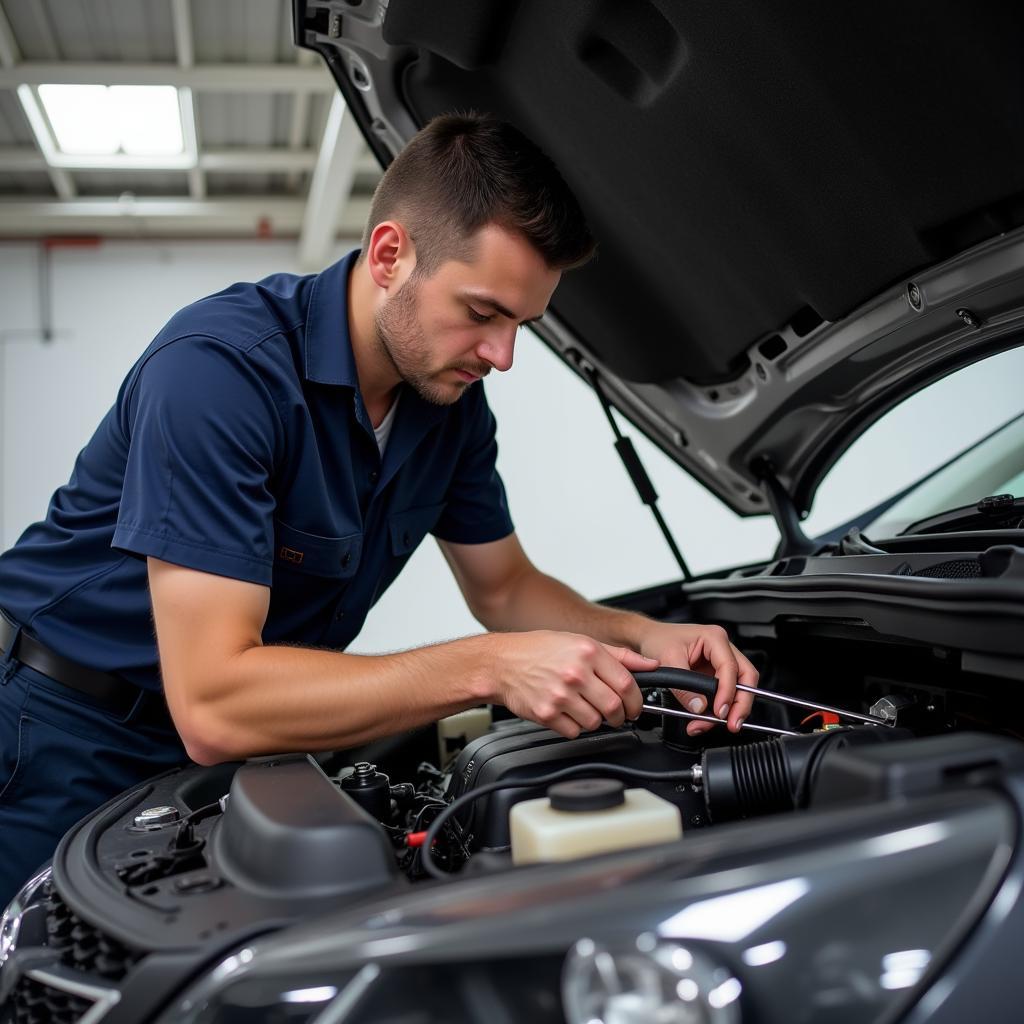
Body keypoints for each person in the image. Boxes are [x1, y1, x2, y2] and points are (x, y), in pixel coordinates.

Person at [0, 113, 757, 904]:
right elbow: (215, 703)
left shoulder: (451, 406)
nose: (503, 357)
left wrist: (647, 635)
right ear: (392, 255)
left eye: (523, 325)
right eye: (482, 312)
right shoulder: (220, 373)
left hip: (230, 753)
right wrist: (490, 667)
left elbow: (504, 588)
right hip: (57, 733)